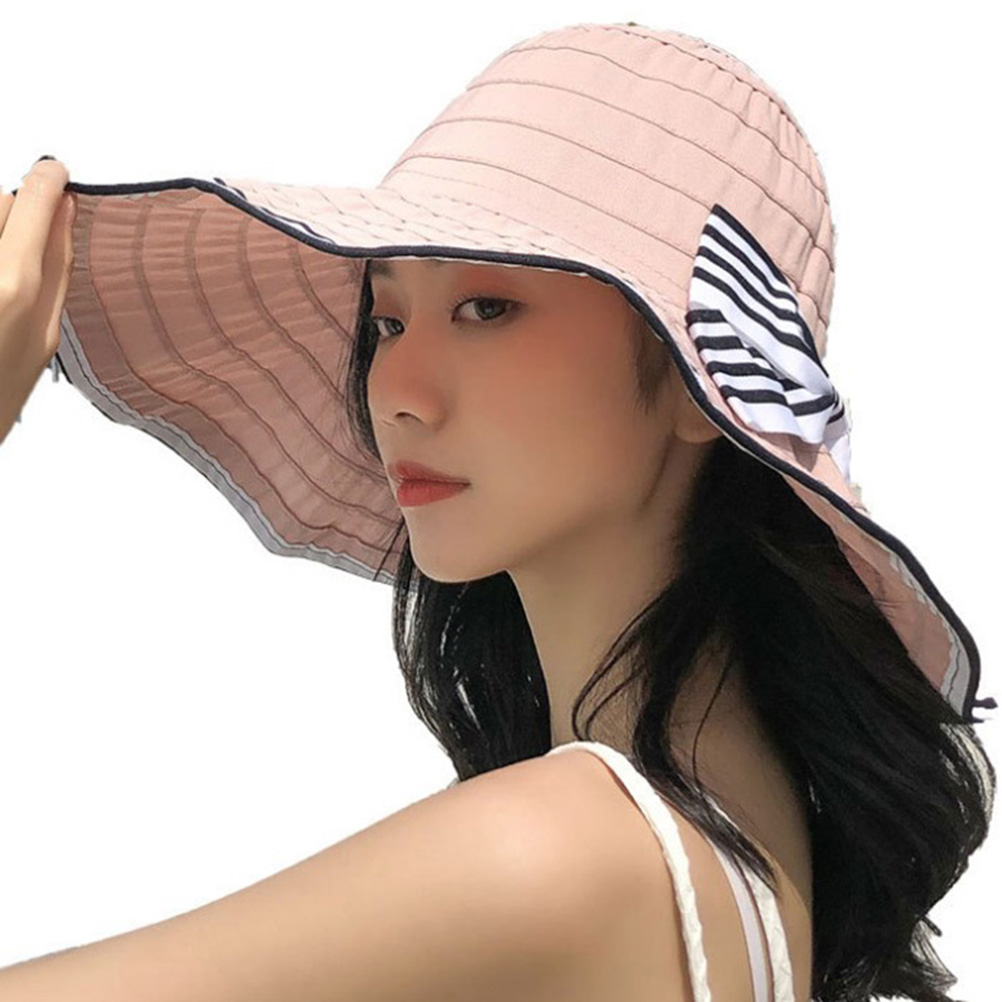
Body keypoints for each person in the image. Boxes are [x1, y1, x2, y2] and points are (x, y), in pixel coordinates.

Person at [0, 21, 995, 1002]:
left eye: (487, 308)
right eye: (387, 319)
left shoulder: (565, 854)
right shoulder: (744, 847)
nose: (398, 391)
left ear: (702, 389)